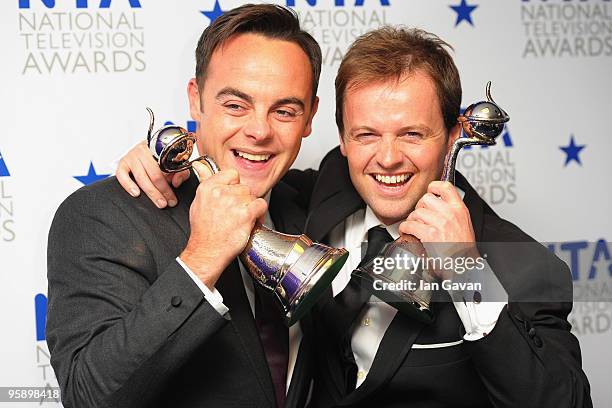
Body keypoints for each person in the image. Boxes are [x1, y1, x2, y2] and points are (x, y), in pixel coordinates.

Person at [115, 28, 592, 407]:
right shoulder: (316, 195)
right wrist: (163, 156)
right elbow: (249, 167)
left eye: (411, 133)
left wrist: (466, 269)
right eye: (366, 134)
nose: (387, 158)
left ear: (452, 137)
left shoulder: (523, 264)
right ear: (341, 140)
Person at [47, 4, 321, 408]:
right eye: (235, 105)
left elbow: (389, 165)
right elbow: (88, 396)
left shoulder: (312, 201)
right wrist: (202, 258)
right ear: (196, 100)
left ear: (310, 117)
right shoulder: (102, 216)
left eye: (284, 111)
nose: (259, 130)